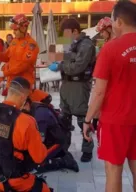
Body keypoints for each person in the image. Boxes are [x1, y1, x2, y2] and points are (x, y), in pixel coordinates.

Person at [83, 1, 136, 191]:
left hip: (115, 121)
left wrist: (88, 119)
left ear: (119, 21)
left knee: (114, 171)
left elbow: (98, 92)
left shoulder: (110, 49)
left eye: (113, 21)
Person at [0, 77, 52, 192]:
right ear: (23, 97)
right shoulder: (27, 122)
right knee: (44, 189)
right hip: (15, 181)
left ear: (9, 92)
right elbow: (39, 158)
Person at [48, 17, 96, 162]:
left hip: (79, 86)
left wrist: (61, 64)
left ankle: (87, 149)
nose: (65, 37)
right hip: (66, 85)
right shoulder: (68, 41)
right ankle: (63, 148)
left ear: (75, 31)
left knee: (82, 120)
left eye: (67, 34)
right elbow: (52, 54)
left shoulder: (87, 45)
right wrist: (57, 56)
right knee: (64, 120)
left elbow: (78, 66)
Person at [22, 97, 79, 173]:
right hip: (48, 138)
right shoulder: (31, 108)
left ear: (26, 104)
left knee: (35, 163)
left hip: (56, 142)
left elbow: (39, 141)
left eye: (20, 107)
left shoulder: (40, 115)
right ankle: (58, 154)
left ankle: (64, 161)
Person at [0, 14, 39, 92]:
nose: (14, 32)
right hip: (11, 82)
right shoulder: (14, 41)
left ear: (24, 28)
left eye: (15, 30)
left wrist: (4, 73)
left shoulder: (32, 45)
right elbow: (6, 56)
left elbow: (23, 66)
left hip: (23, 84)